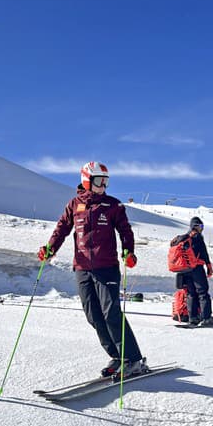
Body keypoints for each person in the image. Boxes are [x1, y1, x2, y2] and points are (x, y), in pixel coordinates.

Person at [38, 161, 145, 377]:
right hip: (82, 268)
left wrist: (128, 251)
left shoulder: (113, 205)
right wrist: (50, 248)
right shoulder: (74, 205)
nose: (103, 186)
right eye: (99, 181)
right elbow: (61, 230)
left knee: (111, 312)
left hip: (107, 267)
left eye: (106, 182)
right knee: (93, 315)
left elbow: (125, 231)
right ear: (87, 180)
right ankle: (117, 356)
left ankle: (133, 359)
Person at [172, 217, 213, 326]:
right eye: (200, 226)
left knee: (191, 293)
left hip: (185, 269)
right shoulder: (197, 237)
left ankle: (193, 317)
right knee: (203, 292)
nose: (202, 229)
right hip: (197, 268)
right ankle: (206, 318)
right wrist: (209, 266)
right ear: (194, 226)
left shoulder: (183, 238)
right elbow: (203, 253)